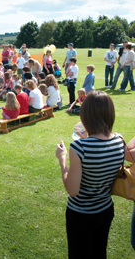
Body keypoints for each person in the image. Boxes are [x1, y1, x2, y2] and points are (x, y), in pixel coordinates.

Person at [55, 91, 124, 259]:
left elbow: (72, 190)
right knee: (99, 253)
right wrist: (90, 135)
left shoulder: (79, 147)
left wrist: (62, 160)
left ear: (85, 114)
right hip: (105, 209)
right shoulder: (120, 140)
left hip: (81, 214)